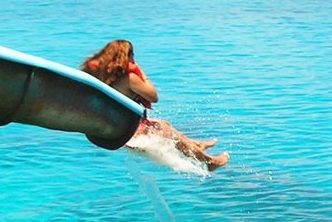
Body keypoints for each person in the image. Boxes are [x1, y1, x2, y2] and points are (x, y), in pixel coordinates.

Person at [81, 39, 229, 170]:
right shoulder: (129, 78)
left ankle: (197, 146)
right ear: (127, 57)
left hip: (109, 127)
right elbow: (153, 96)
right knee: (166, 131)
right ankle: (210, 162)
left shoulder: (98, 74)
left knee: (163, 124)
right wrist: (141, 73)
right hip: (127, 132)